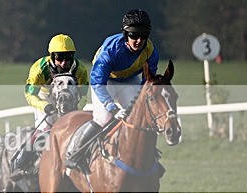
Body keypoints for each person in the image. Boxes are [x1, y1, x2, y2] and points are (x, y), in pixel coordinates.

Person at [64, 9, 159, 172]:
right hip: (105, 81)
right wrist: (112, 107)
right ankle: (74, 153)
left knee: (141, 117)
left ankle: (150, 157)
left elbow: (147, 82)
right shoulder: (111, 49)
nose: (139, 40)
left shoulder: (150, 51)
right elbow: (97, 82)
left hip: (128, 80)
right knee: (103, 119)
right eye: (134, 35)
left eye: (143, 36)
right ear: (125, 35)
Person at [11, 34, 89, 180]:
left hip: (69, 99)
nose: (64, 63)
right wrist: (44, 106)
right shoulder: (40, 69)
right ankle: (20, 164)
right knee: (45, 130)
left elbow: (84, 94)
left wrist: (77, 106)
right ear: (52, 56)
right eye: (59, 58)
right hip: (44, 97)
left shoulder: (80, 69)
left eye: (68, 58)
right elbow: (29, 94)